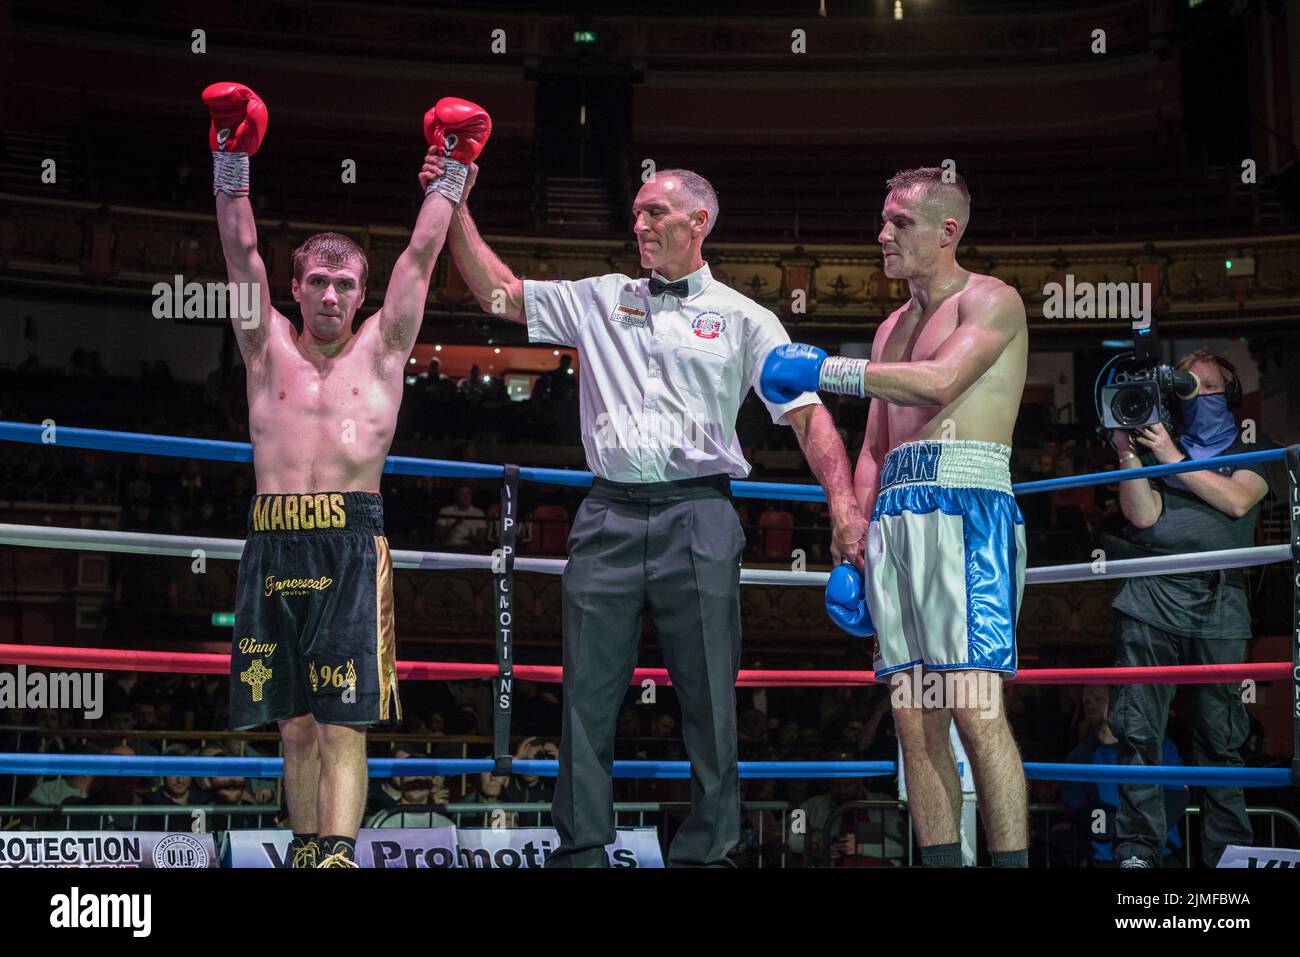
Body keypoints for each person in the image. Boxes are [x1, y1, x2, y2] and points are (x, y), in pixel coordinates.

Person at [430, 158, 864, 867]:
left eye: (654, 212)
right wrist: (454, 202)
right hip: (608, 512)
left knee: (710, 694)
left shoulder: (746, 318)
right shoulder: (601, 297)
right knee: (586, 694)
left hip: (700, 511)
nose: (638, 224)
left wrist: (843, 508)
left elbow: (809, 416)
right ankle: (582, 850)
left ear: (699, 221)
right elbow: (499, 293)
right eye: (635, 213)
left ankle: (709, 852)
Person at [206, 81, 490, 868]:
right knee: (294, 725)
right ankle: (306, 853)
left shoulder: (384, 348)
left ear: (362, 295)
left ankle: (337, 855)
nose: (330, 295)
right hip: (273, 541)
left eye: (344, 284)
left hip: (349, 544)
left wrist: (454, 168)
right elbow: (239, 252)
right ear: (296, 287)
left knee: (342, 724)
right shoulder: (264, 346)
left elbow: (422, 255)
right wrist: (230, 156)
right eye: (317, 282)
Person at [765, 166, 1031, 867]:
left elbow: (942, 381)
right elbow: (876, 445)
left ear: (947, 231)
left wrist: (825, 370)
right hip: (894, 518)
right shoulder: (889, 327)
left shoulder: (992, 300)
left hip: (965, 505)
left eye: (900, 223)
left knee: (975, 706)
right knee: (913, 717)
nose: (882, 234)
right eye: (883, 220)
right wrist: (851, 521)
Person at [1106, 348, 1272, 867]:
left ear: (1229, 394)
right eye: (1184, 385)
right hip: (1150, 594)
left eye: (1205, 386)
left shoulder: (1253, 446)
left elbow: (1237, 501)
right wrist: (1128, 454)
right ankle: (1138, 852)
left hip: (1219, 601)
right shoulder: (1157, 445)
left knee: (1220, 737)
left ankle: (1229, 855)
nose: (1195, 395)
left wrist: (1172, 456)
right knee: (1138, 733)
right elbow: (1143, 517)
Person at [1062, 686, 1188, 866]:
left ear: (1116, 699)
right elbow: (1077, 807)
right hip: (1104, 855)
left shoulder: (1158, 745)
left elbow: (1177, 795)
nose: (1091, 705)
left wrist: (1140, 829)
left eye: (1099, 699)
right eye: (1086, 702)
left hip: (1160, 852)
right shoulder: (1079, 756)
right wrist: (1121, 826)